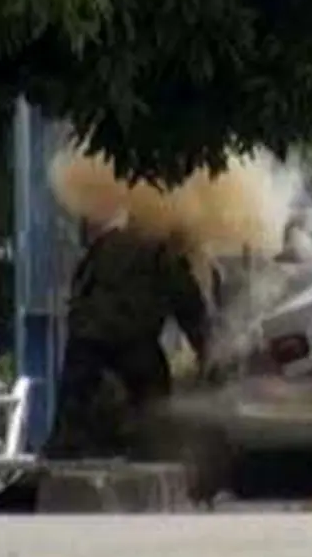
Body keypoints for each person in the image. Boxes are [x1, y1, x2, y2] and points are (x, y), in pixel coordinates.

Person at [42, 198, 213, 462]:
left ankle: (61, 447)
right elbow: (187, 303)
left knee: (73, 398)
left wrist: (81, 323)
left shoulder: (107, 242)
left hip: (86, 334)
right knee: (154, 393)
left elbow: (80, 285)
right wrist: (205, 348)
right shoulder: (161, 251)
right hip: (130, 337)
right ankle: (152, 449)